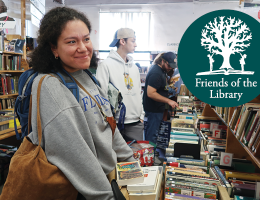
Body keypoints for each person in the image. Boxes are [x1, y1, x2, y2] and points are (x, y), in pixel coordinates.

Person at [28, 7, 134, 199]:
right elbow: (74, 154)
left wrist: (130, 163)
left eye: (86, 39)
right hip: (81, 191)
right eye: (71, 41)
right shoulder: (50, 85)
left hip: (105, 180)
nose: (83, 47)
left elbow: (108, 126)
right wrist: (106, 196)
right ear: (53, 48)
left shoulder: (86, 76)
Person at [96, 28, 145, 142]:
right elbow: (101, 94)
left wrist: (141, 115)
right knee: (113, 158)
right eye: (133, 41)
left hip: (135, 123)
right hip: (114, 123)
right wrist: (108, 119)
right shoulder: (105, 65)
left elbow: (138, 92)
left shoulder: (134, 67)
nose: (136, 45)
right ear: (122, 42)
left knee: (135, 158)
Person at [143, 52, 179, 145]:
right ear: (163, 61)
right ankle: (150, 158)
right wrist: (168, 100)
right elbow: (150, 93)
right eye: (168, 65)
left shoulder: (161, 70)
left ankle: (152, 155)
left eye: (172, 66)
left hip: (157, 109)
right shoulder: (156, 72)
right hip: (153, 110)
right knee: (152, 136)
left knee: (154, 134)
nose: (170, 68)